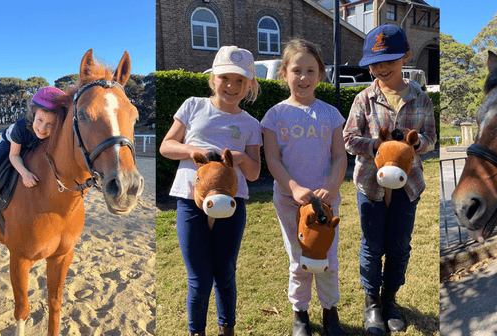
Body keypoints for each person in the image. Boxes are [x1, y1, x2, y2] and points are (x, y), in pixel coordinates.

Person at [159, 45, 262, 336]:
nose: (231, 86)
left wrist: (240, 159)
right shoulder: (193, 106)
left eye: (240, 80)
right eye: (225, 78)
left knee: (225, 274)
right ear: (212, 79)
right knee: (199, 278)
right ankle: (197, 331)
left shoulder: (251, 124)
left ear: (249, 85)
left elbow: (254, 174)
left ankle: (227, 329)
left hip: (231, 203)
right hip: (191, 201)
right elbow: (166, 146)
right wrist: (192, 150)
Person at [342, 24, 437, 335]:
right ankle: (371, 303)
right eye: (375, 62)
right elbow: (349, 139)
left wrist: (413, 144)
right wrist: (377, 146)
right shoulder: (364, 99)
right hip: (370, 183)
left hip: (408, 186)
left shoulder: (421, 98)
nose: (380, 68)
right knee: (372, 246)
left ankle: (390, 300)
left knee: (399, 246)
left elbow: (431, 140)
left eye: (388, 60)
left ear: (406, 56)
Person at [261, 39, 348, 336]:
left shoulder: (331, 114)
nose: (303, 77)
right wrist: (294, 187)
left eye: (311, 70)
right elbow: (271, 158)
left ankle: (330, 311)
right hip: (289, 201)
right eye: (296, 70)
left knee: (326, 258)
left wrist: (331, 187)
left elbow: (339, 156)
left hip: (325, 202)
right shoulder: (274, 116)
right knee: (299, 259)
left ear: (321, 74)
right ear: (284, 73)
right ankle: (300, 313)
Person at [0, 86, 64, 236]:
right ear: (33, 114)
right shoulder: (21, 127)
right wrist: (25, 174)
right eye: (40, 120)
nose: (42, 128)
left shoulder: (55, 132)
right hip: (10, 143)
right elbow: (14, 155)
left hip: (32, 144)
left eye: (50, 124)